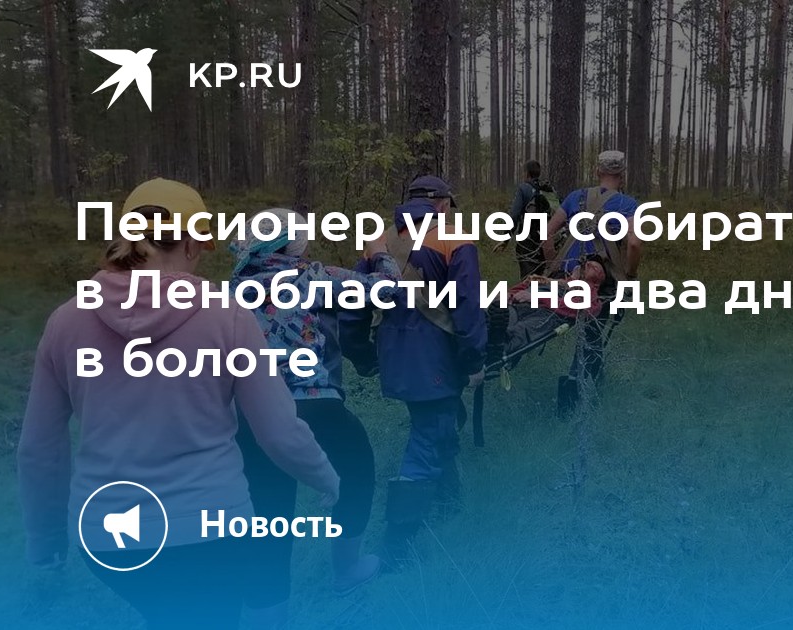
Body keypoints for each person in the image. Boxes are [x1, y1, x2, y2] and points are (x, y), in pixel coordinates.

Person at [17, 179, 340, 630]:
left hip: (107, 539)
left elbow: (39, 448)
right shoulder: (226, 316)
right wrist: (327, 479)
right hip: (211, 531)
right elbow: (279, 431)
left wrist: (46, 539)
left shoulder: (66, 320)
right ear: (189, 244)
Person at [228, 208, 402, 620]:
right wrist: (379, 251)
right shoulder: (310, 276)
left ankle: (268, 612)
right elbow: (387, 289)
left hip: (251, 412)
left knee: (267, 512)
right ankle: (348, 570)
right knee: (356, 471)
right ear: (292, 244)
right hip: (313, 402)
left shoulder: (232, 289)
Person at [341, 175, 486, 566]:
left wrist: (362, 354)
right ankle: (396, 546)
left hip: (394, 356)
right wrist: (474, 359)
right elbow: (468, 303)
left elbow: (353, 303)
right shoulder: (454, 237)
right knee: (428, 437)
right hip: (435, 357)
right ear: (442, 204)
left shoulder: (379, 242)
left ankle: (451, 504)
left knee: (437, 424)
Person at [540, 150, 644, 411]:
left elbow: (546, 236)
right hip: (602, 279)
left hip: (567, 277)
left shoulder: (576, 197)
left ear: (597, 171)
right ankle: (579, 388)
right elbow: (634, 243)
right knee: (594, 333)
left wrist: (555, 268)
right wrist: (630, 275)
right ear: (622, 174)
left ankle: (587, 381)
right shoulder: (628, 204)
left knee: (583, 331)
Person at [501, 160, 560, 278]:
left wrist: (505, 238)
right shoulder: (549, 189)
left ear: (527, 173)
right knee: (543, 278)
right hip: (547, 241)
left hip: (527, 241)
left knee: (528, 279)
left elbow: (514, 215)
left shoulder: (524, 188)